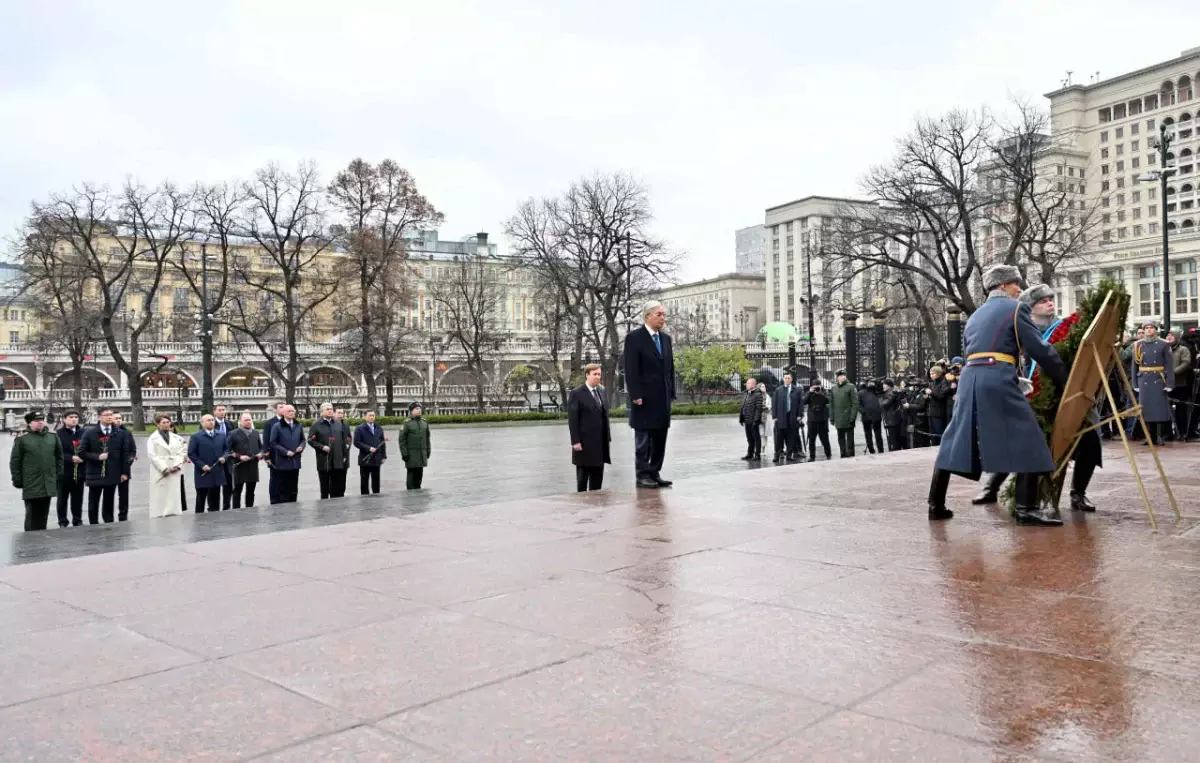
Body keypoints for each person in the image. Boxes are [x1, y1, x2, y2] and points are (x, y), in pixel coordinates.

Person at [927, 265, 1067, 527]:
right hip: (997, 378)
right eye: (1016, 284)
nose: (1019, 289)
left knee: (955, 438)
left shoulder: (976, 316)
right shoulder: (1017, 309)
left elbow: (974, 351)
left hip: (971, 379)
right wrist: (1064, 377)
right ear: (1003, 286)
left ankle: (936, 504)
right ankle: (1026, 509)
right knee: (1030, 438)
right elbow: (1039, 349)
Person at [973, 283, 1104, 513]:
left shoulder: (1066, 327)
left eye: (1050, 299)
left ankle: (1078, 493)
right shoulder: (1018, 325)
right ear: (1030, 308)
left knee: (1090, 438)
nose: (1050, 303)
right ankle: (992, 486)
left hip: (1068, 390)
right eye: (1043, 301)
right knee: (1017, 442)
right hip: (1033, 396)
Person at [622, 301, 675, 489]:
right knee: (644, 439)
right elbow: (630, 369)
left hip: (662, 398)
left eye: (663, 314)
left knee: (660, 438)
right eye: (659, 314)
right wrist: (635, 394)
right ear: (648, 316)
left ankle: (654, 472)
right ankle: (642, 475)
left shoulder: (666, 339)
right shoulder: (634, 338)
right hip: (643, 399)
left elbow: (670, 370)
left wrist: (672, 393)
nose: (663, 318)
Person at [9, 411, 62, 532]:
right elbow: (15, 461)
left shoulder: (52, 437)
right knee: (32, 513)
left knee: (44, 512)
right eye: (36, 420)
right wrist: (17, 479)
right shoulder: (22, 439)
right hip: (31, 481)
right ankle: (30, 538)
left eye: (41, 420)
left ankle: (41, 536)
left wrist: (58, 475)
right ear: (29, 423)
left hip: (48, 480)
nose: (40, 422)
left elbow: (59, 457)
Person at [568, 363, 611, 491]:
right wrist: (575, 441)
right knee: (582, 482)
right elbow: (573, 419)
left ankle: (596, 505)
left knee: (597, 483)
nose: (597, 377)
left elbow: (604, 415)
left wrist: (607, 437)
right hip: (584, 445)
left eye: (599, 374)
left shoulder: (601, 391)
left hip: (599, 444)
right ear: (587, 375)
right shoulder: (577, 393)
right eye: (595, 374)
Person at [80, 407, 127, 524]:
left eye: (111, 414)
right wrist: (97, 457)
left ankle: (109, 522)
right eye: (106, 415)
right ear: (99, 417)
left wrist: (124, 472)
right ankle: (93, 523)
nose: (109, 417)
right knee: (93, 501)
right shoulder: (90, 432)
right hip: (95, 473)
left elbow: (124, 454)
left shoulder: (119, 433)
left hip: (112, 472)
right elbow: (81, 452)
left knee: (109, 500)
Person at [1132, 320, 1174, 446]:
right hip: (1144, 379)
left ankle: (1160, 436)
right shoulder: (1137, 345)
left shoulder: (1164, 344)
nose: (1149, 330)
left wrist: (1169, 383)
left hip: (1158, 379)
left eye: (1151, 327)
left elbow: (1169, 365)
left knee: (1159, 410)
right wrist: (1135, 383)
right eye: (1147, 328)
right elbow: (1135, 366)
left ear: (1156, 330)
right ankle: (1149, 436)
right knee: (1145, 410)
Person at [146, 414, 187, 519]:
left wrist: (177, 465)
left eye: (168, 422)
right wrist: (164, 468)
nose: (166, 425)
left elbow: (182, 452)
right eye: (163, 422)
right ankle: (159, 512)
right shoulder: (153, 439)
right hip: (160, 469)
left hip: (174, 467)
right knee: (160, 492)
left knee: (173, 492)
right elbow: (152, 455)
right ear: (158, 424)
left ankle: (172, 511)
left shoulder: (177, 438)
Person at [188, 414, 228, 513]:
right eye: (208, 420)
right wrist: (202, 465)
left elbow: (227, 450)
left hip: (217, 471)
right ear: (202, 423)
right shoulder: (196, 436)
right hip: (203, 472)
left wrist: (224, 457)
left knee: (215, 497)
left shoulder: (221, 435)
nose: (211, 422)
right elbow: (191, 454)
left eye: (212, 420)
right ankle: (199, 517)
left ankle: (214, 516)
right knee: (201, 496)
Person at [309, 402, 351, 499]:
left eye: (331, 409)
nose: (330, 411)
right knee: (325, 488)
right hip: (324, 460)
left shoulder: (337, 423)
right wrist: (321, 447)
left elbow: (344, 441)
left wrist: (345, 456)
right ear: (321, 412)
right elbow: (310, 440)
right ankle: (324, 508)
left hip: (338, 460)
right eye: (327, 409)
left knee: (337, 488)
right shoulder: (316, 424)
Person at [266, 404, 304, 503]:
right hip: (283, 462)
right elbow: (273, 443)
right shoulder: (277, 426)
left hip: (295, 461)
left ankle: (293, 504)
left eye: (293, 411)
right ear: (284, 413)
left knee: (293, 486)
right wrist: (285, 452)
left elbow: (303, 440)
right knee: (283, 487)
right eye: (289, 411)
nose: (291, 413)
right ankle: (284, 508)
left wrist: (301, 446)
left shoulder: (298, 425)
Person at [55, 410, 85, 527]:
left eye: (76, 417)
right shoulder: (58, 434)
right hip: (64, 471)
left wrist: (83, 457)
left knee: (77, 498)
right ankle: (62, 521)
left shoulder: (83, 433)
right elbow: (57, 453)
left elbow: (89, 448)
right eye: (71, 417)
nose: (74, 419)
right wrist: (70, 458)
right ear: (64, 419)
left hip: (80, 471)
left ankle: (77, 519)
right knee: (62, 498)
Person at [228, 412, 264, 508]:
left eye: (249, 420)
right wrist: (239, 456)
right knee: (237, 491)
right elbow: (228, 451)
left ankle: (250, 508)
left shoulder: (255, 433)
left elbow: (261, 448)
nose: (248, 422)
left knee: (251, 490)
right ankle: (236, 510)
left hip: (253, 466)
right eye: (246, 420)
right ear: (240, 421)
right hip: (239, 467)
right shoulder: (233, 434)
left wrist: (261, 454)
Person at [1167, 330, 1194, 442]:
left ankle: (1182, 432)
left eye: (1171, 335)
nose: (1169, 337)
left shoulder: (1183, 349)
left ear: (1177, 337)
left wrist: (1173, 372)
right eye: (1167, 335)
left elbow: (1186, 363)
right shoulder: (1164, 349)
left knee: (1181, 410)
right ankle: (1167, 433)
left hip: (1180, 384)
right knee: (1166, 410)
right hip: (1166, 384)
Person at [772, 373, 804, 462]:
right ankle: (777, 455)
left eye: (789, 378)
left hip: (792, 416)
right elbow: (774, 404)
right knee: (779, 437)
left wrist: (799, 415)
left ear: (791, 379)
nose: (787, 379)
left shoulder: (797, 390)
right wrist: (774, 416)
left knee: (791, 437)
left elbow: (800, 404)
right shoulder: (778, 390)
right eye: (785, 378)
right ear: (783, 379)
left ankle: (789, 454)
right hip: (781, 416)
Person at [353, 410, 387, 495]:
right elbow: (356, 442)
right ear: (365, 417)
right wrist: (368, 448)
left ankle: (376, 495)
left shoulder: (378, 428)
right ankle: (364, 498)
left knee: (376, 480)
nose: (372, 417)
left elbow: (382, 443)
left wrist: (383, 456)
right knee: (364, 480)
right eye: (370, 415)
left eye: (373, 415)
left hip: (376, 459)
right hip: (365, 459)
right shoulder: (359, 428)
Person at [110, 412, 137, 520]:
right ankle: (109, 516)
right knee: (109, 494)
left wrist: (128, 462)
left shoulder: (127, 432)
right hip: (111, 468)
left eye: (120, 418)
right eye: (116, 418)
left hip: (124, 468)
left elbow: (132, 450)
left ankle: (123, 515)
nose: (118, 420)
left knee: (124, 495)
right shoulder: (108, 432)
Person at [400, 403, 431, 489]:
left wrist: (428, 451)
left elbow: (427, 438)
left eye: (419, 408)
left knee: (419, 477)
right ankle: (410, 496)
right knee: (411, 478)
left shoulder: (424, 423)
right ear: (411, 411)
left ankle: (418, 496)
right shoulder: (407, 423)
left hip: (421, 454)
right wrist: (404, 454)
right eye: (416, 409)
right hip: (411, 455)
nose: (419, 410)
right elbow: (402, 440)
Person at [830, 369, 859, 458]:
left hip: (848, 417)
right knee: (840, 438)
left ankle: (850, 455)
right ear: (837, 377)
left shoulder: (851, 387)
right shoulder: (834, 388)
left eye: (844, 375)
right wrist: (832, 417)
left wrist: (852, 417)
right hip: (838, 418)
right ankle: (843, 454)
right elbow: (831, 404)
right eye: (840, 375)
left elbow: (855, 403)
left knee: (850, 439)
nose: (842, 377)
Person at [212, 404, 236, 509]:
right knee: (215, 484)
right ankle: (213, 506)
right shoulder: (211, 423)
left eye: (223, 410)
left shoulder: (229, 424)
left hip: (228, 458)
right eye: (219, 410)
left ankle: (226, 505)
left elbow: (234, 439)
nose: (222, 412)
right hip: (216, 458)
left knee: (228, 483)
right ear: (214, 412)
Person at [263, 402, 287, 503]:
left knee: (285, 479)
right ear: (276, 410)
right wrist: (267, 457)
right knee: (275, 478)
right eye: (281, 407)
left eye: (285, 407)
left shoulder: (289, 422)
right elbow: (266, 441)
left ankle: (284, 498)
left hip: (286, 455)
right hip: (274, 456)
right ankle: (274, 499)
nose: (283, 409)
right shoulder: (270, 423)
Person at [738, 377, 765, 461]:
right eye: (747, 383)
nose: (747, 385)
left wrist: (756, 420)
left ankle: (757, 454)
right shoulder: (746, 393)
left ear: (753, 384)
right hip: (747, 419)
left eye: (748, 383)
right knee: (749, 438)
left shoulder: (757, 394)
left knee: (756, 438)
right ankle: (750, 453)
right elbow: (744, 407)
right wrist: (741, 418)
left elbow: (758, 408)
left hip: (753, 420)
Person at [805, 379, 832, 461]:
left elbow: (829, 401)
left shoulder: (824, 392)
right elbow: (803, 401)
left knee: (825, 440)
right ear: (812, 387)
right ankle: (812, 457)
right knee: (812, 440)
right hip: (812, 420)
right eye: (815, 387)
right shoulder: (810, 393)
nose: (817, 388)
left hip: (822, 420)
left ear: (821, 385)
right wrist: (810, 392)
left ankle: (828, 455)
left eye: (818, 386)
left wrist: (822, 393)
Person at [925, 366, 953, 445]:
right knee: (932, 435)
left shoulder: (944, 382)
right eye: (930, 374)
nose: (931, 375)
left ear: (938, 374)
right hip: (931, 412)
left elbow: (941, 396)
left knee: (939, 433)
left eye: (933, 374)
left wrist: (931, 393)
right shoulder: (932, 383)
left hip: (939, 413)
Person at [857, 379, 884, 455]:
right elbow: (858, 404)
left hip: (876, 416)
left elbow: (881, 394)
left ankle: (881, 449)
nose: (871, 384)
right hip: (866, 417)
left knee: (878, 435)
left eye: (872, 382)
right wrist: (863, 412)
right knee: (868, 435)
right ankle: (871, 449)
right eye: (869, 382)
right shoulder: (861, 393)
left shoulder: (876, 391)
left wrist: (877, 384)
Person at [880, 379, 907, 451]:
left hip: (893, 420)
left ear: (889, 385)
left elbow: (884, 404)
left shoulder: (891, 393)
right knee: (895, 439)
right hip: (893, 419)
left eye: (885, 384)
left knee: (894, 441)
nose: (883, 386)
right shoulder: (891, 392)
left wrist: (881, 399)